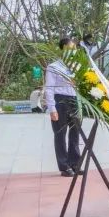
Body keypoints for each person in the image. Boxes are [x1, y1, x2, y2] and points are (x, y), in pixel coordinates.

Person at [45, 37, 82, 177]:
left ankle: (75, 164)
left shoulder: (77, 66)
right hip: (60, 101)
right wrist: (52, 109)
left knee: (75, 133)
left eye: (74, 49)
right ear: (62, 49)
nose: (73, 51)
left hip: (74, 101)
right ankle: (64, 166)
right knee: (60, 134)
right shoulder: (53, 67)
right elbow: (49, 88)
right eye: (70, 48)